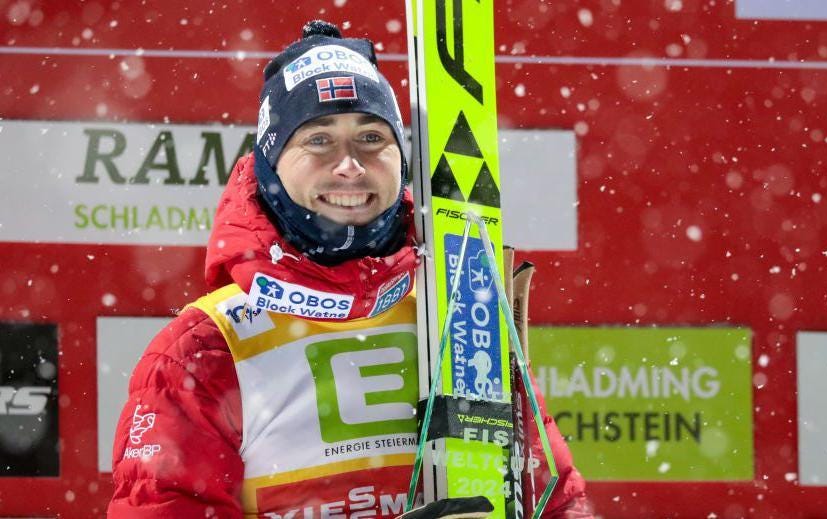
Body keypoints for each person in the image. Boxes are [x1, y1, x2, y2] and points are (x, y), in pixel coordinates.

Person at [109, 20, 591, 519]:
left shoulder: (460, 310)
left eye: (370, 137)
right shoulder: (202, 349)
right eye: (318, 140)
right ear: (271, 164)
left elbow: (558, 504)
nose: (350, 165)